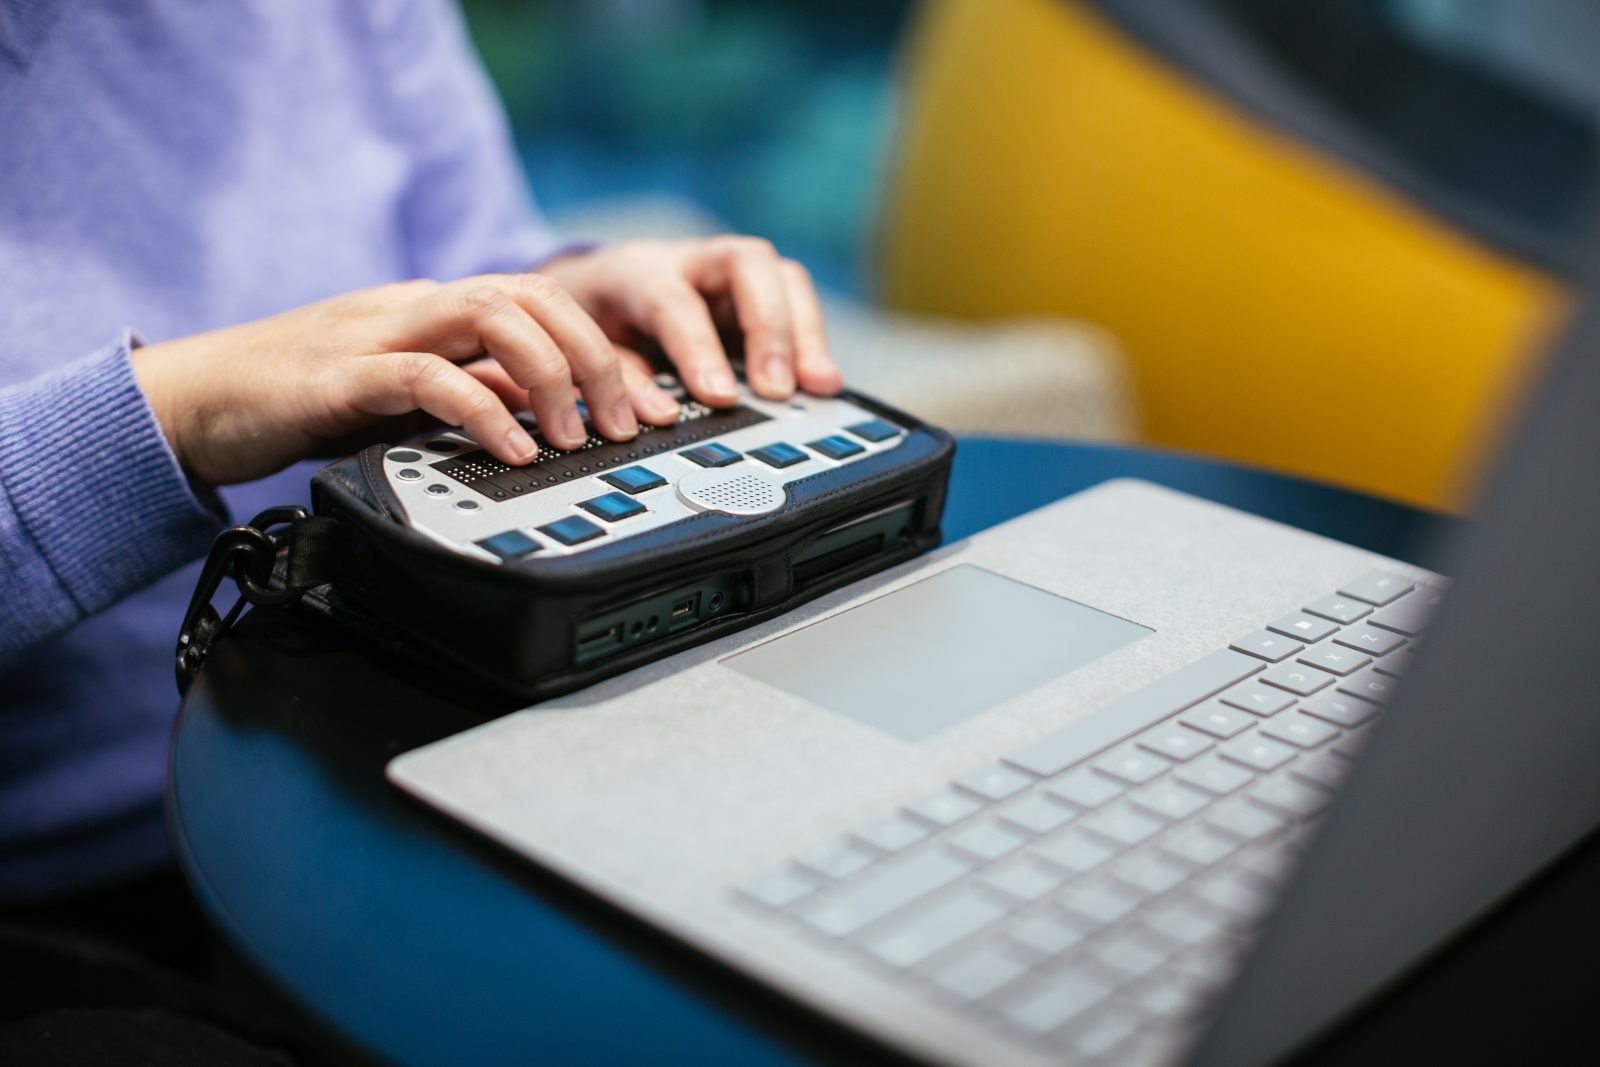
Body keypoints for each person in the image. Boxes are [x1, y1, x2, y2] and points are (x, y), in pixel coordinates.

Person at [0, 0, 839, 1059]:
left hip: (410, 722)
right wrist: (179, 411)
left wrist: (555, 306)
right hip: (64, 875)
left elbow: (466, 253)